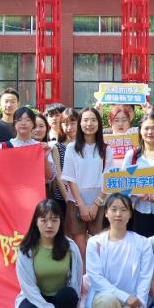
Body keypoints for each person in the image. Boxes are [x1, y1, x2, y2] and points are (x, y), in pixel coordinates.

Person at [81, 194, 154, 308]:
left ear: (130, 214)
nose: (118, 214)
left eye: (123, 210)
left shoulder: (143, 243)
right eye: (113, 209)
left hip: (131, 303)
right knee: (108, 299)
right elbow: (96, 278)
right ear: (106, 213)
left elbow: (145, 277)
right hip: (104, 300)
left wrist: (139, 304)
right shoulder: (95, 242)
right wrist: (125, 297)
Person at [12, 198, 81, 308]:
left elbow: (76, 282)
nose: (49, 225)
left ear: (60, 222)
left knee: (70, 295)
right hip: (35, 297)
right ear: (36, 222)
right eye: (44, 220)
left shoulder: (70, 248)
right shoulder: (26, 249)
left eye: (54, 220)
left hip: (59, 296)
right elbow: (29, 288)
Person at [62, 107, 108, 260]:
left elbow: (109, 179)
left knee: (98, 248)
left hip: (99, 202)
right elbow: (70, 178)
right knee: (80, 248)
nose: (89, 124)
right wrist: (81, 205)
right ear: (80, 124)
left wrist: (96, 203)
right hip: (76, 202)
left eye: (93, 120)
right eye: (86, 120)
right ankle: (81, 275)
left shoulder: (106, 149)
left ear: (99, 123)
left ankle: (96, 276)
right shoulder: (72, 148)